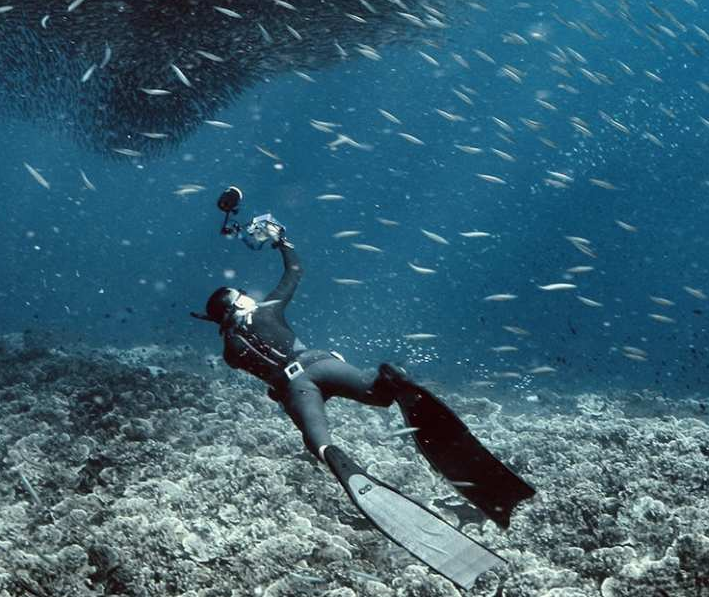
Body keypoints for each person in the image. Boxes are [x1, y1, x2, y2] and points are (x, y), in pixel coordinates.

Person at [192, 191, 534, 590]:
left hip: (295, 389)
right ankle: (390, 379)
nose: (247, 294)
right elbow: (295, 272)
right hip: (323, 364)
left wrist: (236, 330)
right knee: (378, 394)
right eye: (240, 295)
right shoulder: (266, 310)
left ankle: (336, 457)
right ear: (237, 303)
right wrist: (283, 242)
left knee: (319, 443)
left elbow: (260, 368)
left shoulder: (229, 351)